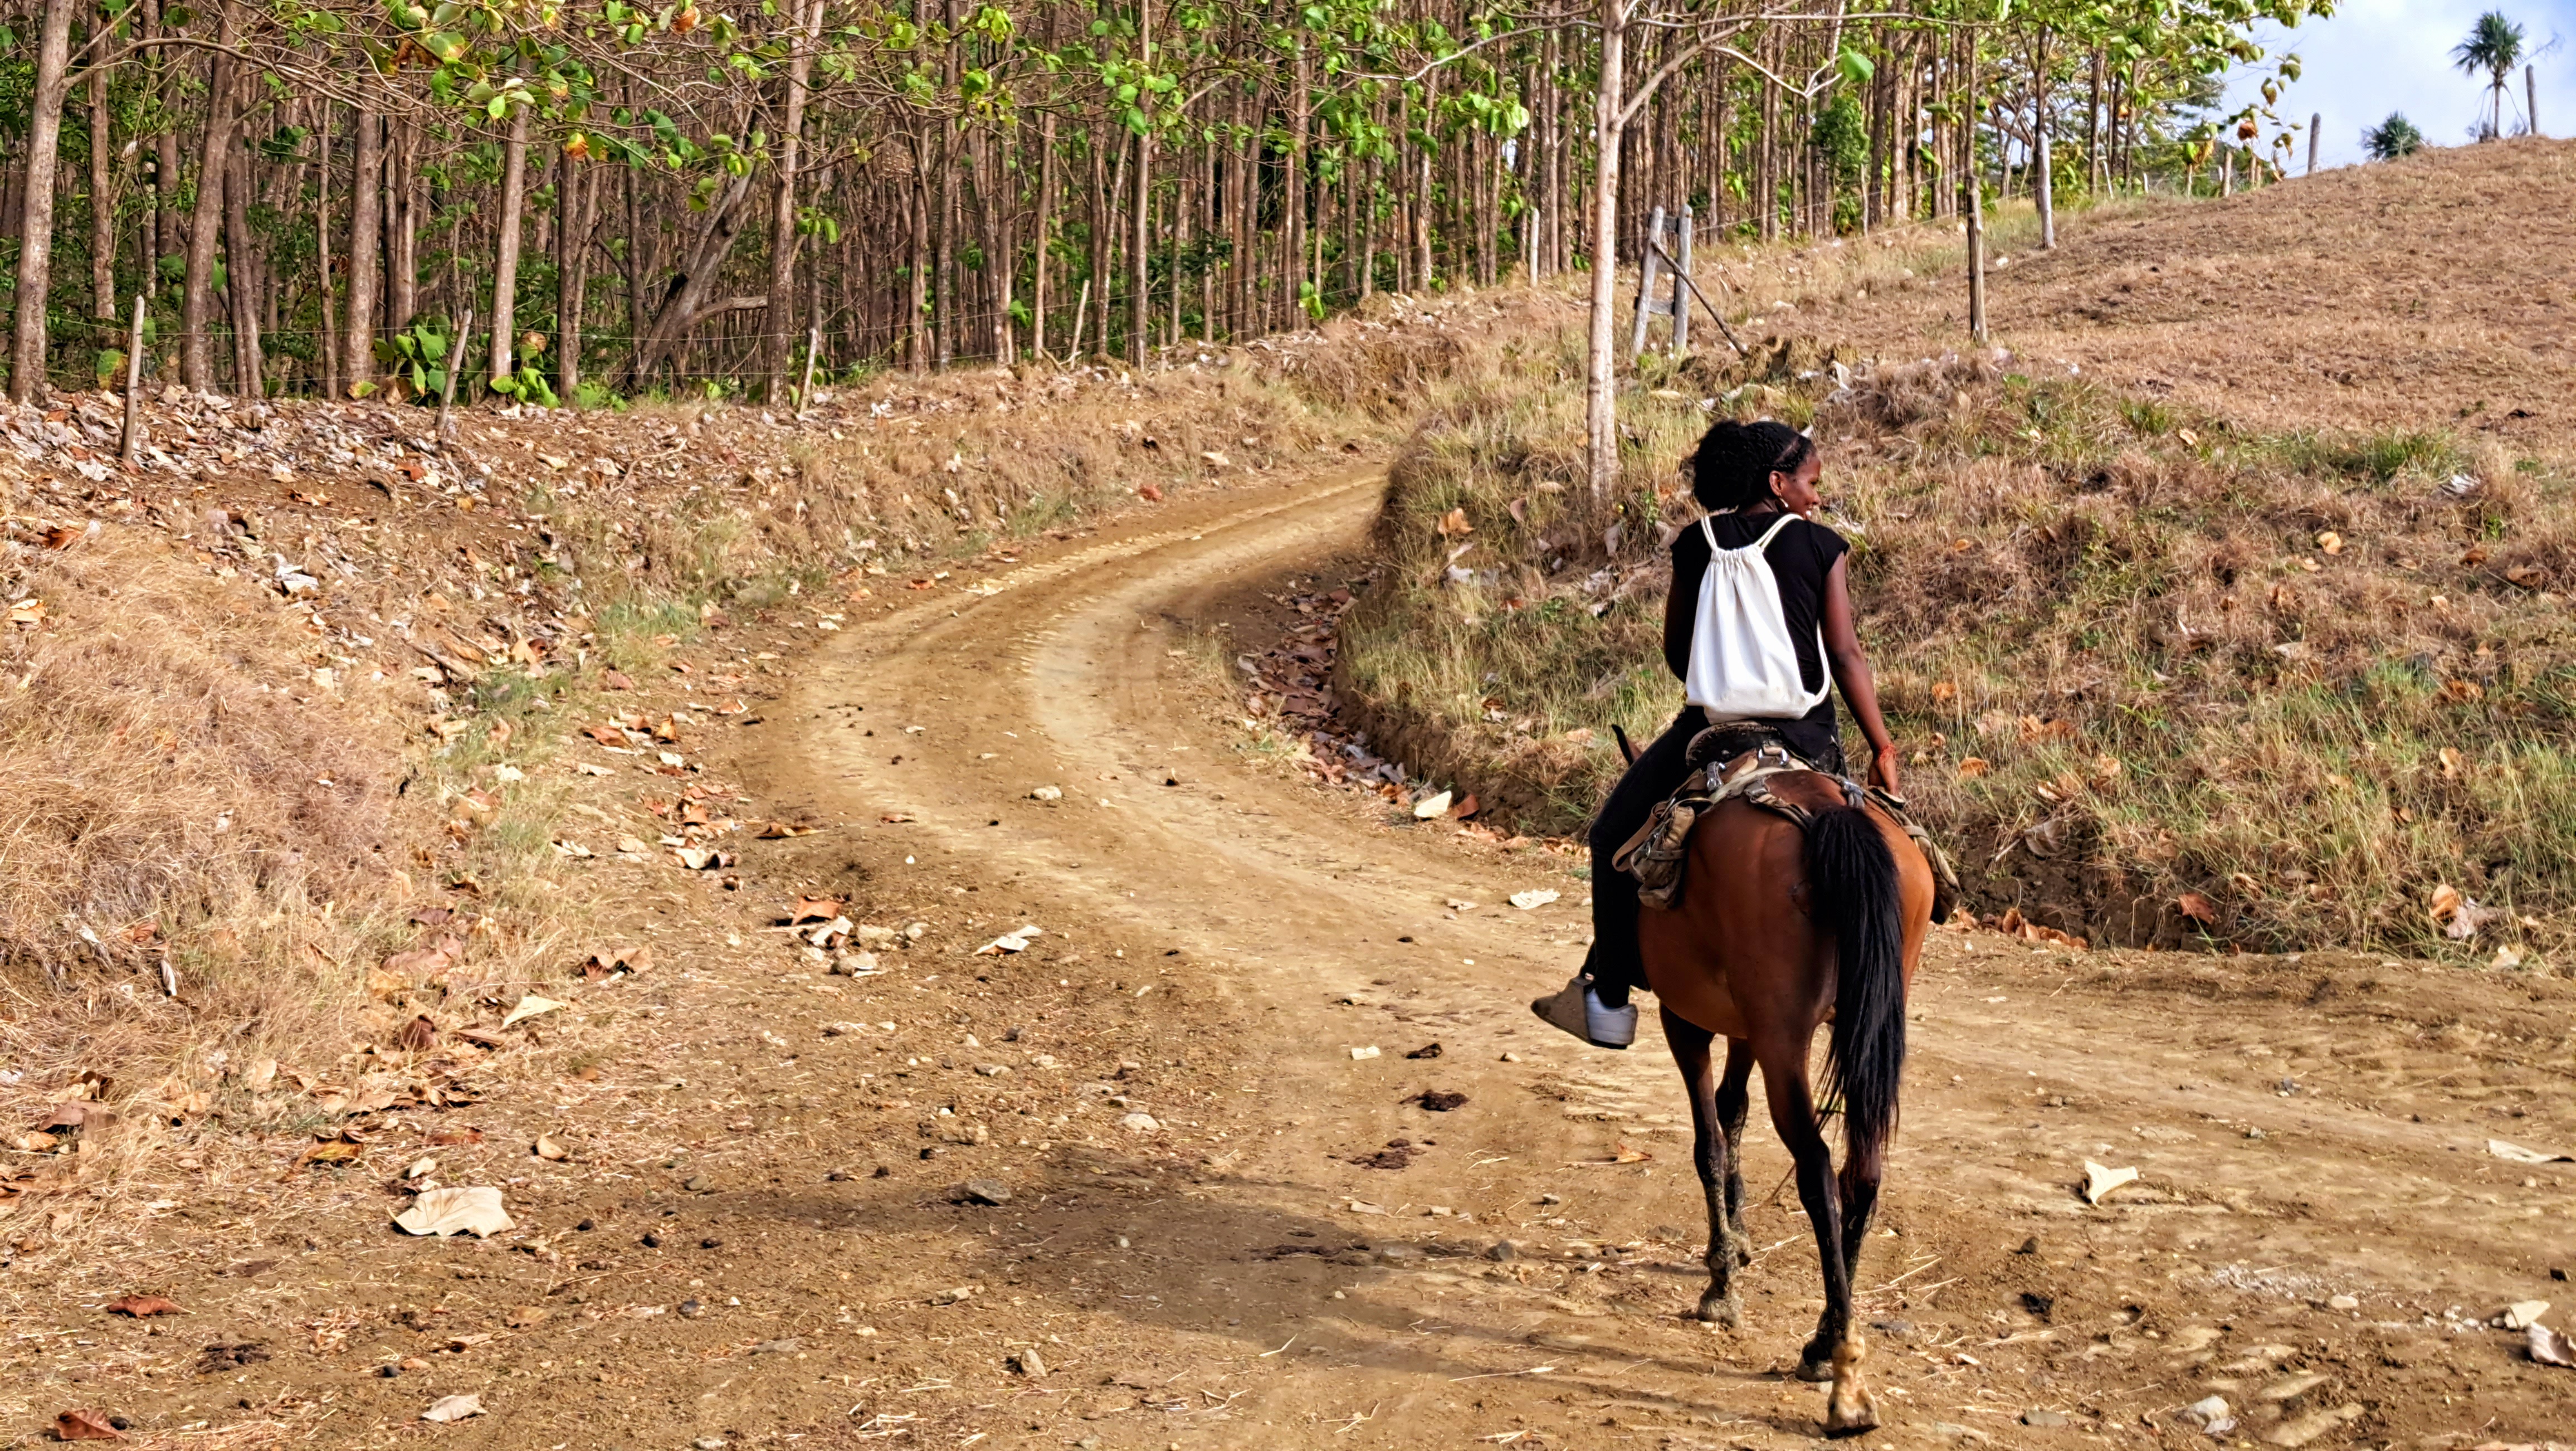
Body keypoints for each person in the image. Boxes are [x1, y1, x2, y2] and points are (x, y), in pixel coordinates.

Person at [1531, 419, 1902, 1049]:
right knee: (1880, 841)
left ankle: (1609, 997)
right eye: (1811, 483)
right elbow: (1845, 655)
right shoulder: (1822, 546)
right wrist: (1883, 745)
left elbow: (1679, 655)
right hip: (1807, 735)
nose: (1817, 497)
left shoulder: (1694, 544)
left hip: (1712, 731)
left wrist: (1728, 668)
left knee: (1611, 836)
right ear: (1778, 483)